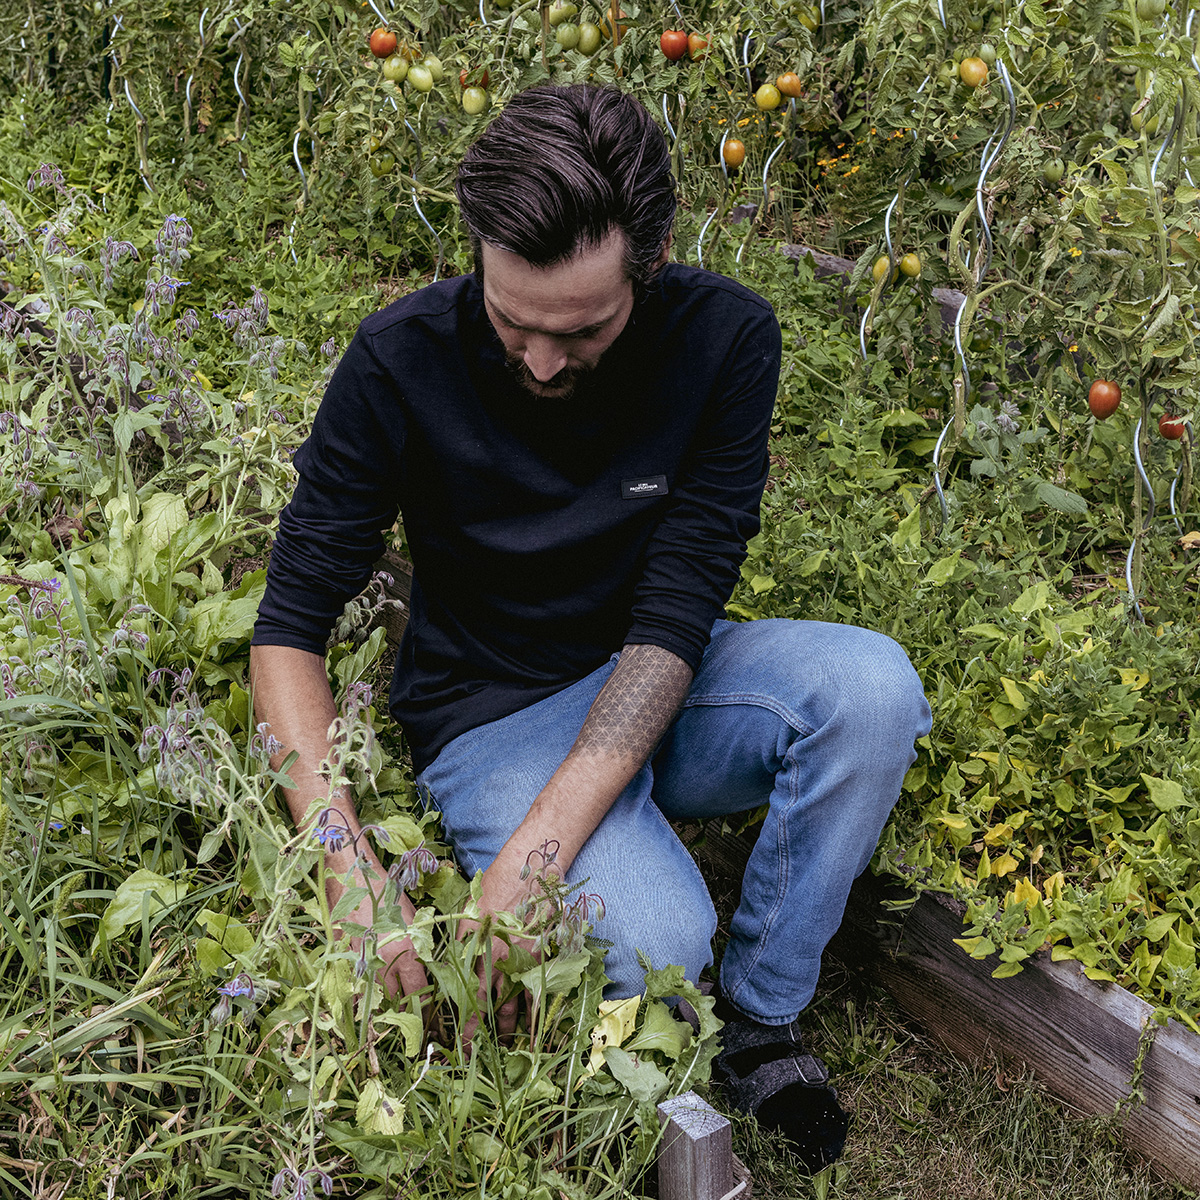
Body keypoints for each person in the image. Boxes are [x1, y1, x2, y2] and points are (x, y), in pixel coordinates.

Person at [250, 82, 932, 1171]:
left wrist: (540, 854)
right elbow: (289, 627)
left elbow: (679, 610)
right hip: (493, 712)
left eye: (581, 330)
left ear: (652, 259)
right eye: (510, 320)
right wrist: (343, 861)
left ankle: (761, 1019)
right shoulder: (398, 359)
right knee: (663, 940)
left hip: (660, 678)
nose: (538, 361)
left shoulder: (725, 340)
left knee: (872, 690)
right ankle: (655, 956)